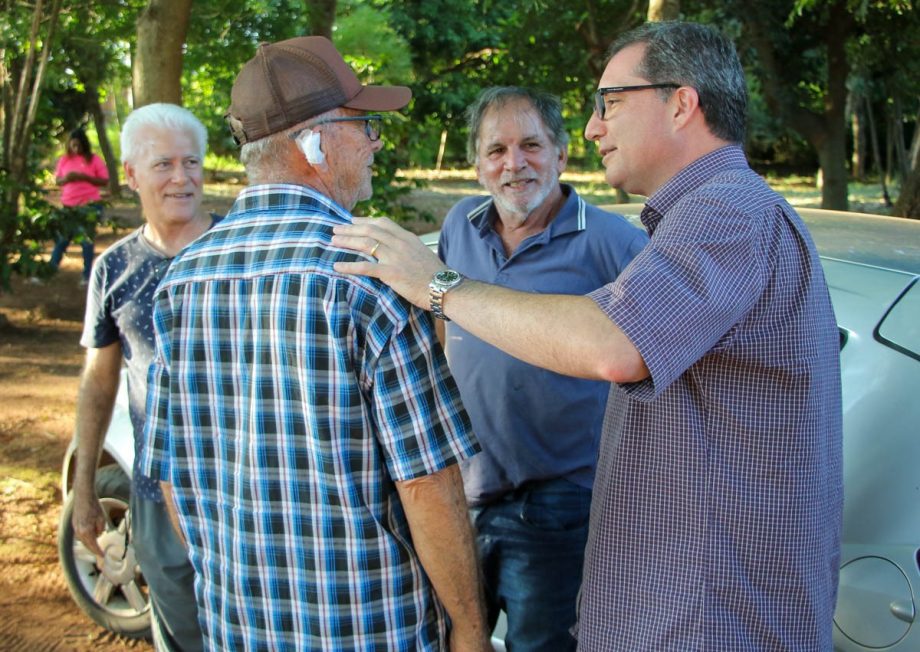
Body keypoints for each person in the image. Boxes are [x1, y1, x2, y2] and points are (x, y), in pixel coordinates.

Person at [332, 21, 843, 651]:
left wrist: (439, 285)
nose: (596, 126)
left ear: (681, 102)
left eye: (610, 103)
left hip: (709, 618)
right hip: (657, 592)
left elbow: (613, 343)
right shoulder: (699, 215)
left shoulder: (729, 208)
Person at [140, 36, 490, 652]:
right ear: (316, 142)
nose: (376, 143)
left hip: (238, 626)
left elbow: (173, 473)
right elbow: (427, 483)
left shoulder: (180, 282)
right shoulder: (374, 274)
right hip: (373, 629)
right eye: (365, 126)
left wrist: (232, 582)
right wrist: (468, 627)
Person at [438, 86, 647, 651]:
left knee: (540, 644)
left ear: (561, 153)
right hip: (466, 490)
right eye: (496, 150)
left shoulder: (615, 244)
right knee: (458, 640)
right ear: (477, 164)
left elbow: (650, 362)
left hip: (559, 501)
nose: (514, 164)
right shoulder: (460, 225)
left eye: (531, 145)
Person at [70, 103, 215, 652]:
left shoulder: (239, 250)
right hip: (156, 494)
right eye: (163, 165)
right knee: (181, 636)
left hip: (242, 491)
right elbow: (99, 384)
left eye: (192, 162)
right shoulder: (114, 269)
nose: (182, 178)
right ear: (130, 174)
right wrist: (85, 490)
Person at [50, 127, 109, 285]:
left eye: (78, 145)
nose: (75, 149)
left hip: (89, 205)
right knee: (62, 238)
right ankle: (50, 269)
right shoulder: (65, 160)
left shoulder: (94, 159)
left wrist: (84, 177)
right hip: (69, 204)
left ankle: (87, 275)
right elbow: (58, 180)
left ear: (84, 145)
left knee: (86, 240)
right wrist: (67, 178)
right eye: (72, 145)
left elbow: (104, 180)